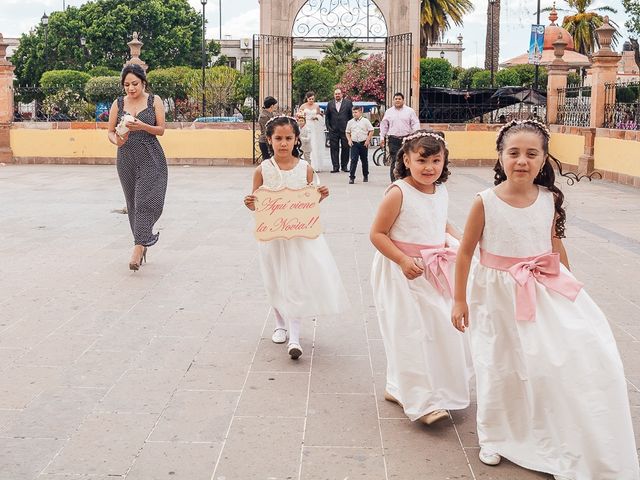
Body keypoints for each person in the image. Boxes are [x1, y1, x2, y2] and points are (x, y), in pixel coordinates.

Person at [451, 119, 640, 480]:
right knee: (497, 362)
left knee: (548, 362)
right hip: (494, 294)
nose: (522, 161)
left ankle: (547, 432)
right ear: (500, 157)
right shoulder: (484, 202)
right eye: (514, 153)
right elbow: (464, 253)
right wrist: (459, 300)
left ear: (543, 160)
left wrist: (569, 286)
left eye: (531, 154)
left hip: (540, 287)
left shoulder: (549, 199)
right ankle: (495, 436)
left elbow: (554, 245)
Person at [370, 130, 472, 426]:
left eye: (436, 160)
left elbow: (440, 221)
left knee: (438, 328)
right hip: (402, 272)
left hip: (433, 272)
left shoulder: (440, 190)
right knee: (410, 332)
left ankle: (398, 387)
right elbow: (377, 234)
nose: (429, 167)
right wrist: (402, 259)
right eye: (422, 160)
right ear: (406, 159)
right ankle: (422, 401)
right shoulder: (398, 192)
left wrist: (462, 241)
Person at [243, 116, 349, 360]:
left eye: (288, 138)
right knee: (275, 278)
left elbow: (311, 201)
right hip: (272, 236)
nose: (283, 143)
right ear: (269, 140)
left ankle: (295, 336)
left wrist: (321, 194)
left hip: (300, 237)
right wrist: (250, 203)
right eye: (278, 138)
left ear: (296, 139)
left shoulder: (306, 169)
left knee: (295, 281)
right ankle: (280, 323)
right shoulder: (262, 170)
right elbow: (256, 203)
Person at [107, 64, 168, 271]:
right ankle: (142, 242)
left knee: (144, 200)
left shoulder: (154, 101)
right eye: (126, 85)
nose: (131, 88)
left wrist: (142, 126)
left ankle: (137, 247)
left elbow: (161, 130)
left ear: (143, 82)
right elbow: (109, 132)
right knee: (132, 203)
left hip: (150, 155)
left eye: (134, 84)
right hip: (126, 156)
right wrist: (117, 140)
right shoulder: (118, 103)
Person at [379, 92, 420, 182]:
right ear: (393, 100)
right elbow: (384, 125)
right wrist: (382, 137)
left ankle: (406, 180)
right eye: (396, 99)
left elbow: (415, 124)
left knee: (407, 159)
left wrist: (416, 136)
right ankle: (394, 181)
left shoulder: (410, 111)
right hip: (393, 140)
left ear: (403, 100)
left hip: (406, 139)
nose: (397, 100)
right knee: (394, 160)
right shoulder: (389, 112)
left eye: (399, 99)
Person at [298, 91, 330, 172]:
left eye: (312, 99)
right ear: (307, 98)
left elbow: (320, 115)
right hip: (306, 125)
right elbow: (299, 116)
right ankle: (306, 164)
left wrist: (317, 117)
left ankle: (315, 165)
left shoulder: (316, 106)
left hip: (314, 127)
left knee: (314, 144)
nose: (311, 100)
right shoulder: (303, 106)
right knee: (306, 144)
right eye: (310, 99)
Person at [325, 87, 353, 173]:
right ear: (334, 95)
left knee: (346, 148)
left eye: (339, 94)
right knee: (334, 148)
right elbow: (327, 117)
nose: (337, 95)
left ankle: (344, 166)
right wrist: (329, 128)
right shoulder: (330, 104)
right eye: (336, 94)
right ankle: (335, 167)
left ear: (342, 94)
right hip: (333, 130)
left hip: (345, 130)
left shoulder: (348, 103)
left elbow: (351, 116)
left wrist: (350, 128)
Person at [345, 105, 374, 184]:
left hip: (363, 142)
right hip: (354, 143)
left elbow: (371, 130)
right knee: (354, 160)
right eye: (353, 112)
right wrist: (349, 140)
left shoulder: (365, 121)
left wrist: (368, 140)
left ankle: (365, 175)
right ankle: (351, 177)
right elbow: (347, 132)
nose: (354, 114)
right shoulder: (350, 122)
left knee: (364, 160)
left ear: (360, 112)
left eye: (356, 112)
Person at [258, 96, 278, 161]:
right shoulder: (264, 116)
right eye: (275, 105)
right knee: (267, 162)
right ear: (272, 106)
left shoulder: (270, 114)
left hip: (270, 140)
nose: (276, 107)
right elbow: (267, 131)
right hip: (265, 141)